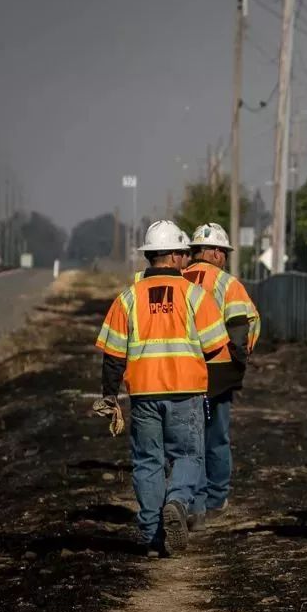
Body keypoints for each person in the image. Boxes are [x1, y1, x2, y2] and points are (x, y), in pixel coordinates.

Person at [95, 220, 229, 557]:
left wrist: (110, 396)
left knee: (147, 462)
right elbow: (215, 348)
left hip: (143, 393)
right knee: (187, 455)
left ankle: (152, 536)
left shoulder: (127, 298)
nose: (187, 260)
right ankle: (178, 503)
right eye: (183, 254)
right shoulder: (195, 295)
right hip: (186, 391)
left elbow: (112, 355)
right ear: (172, 256)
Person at [182, 222, 261, 528]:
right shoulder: (228, 284)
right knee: (217, 437)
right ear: (215, 252)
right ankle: (215, 500)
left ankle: (193, 501)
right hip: (218, 371)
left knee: (190, 439)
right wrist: (239, 362)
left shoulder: (178, 280)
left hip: (182, 372)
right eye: (224, 252)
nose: (225, 257)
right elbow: (241, 327)